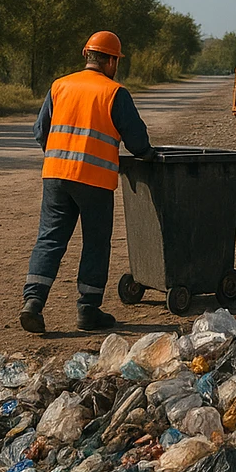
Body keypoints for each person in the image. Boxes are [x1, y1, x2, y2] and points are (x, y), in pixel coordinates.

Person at [19, 31, 153, 334]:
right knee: (95, 243)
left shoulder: (59, 86)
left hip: (55, 175)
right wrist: (149, 155)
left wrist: (60, 157)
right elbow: (137, 141)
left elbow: (41, 131)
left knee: (50, 239)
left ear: (86, 55)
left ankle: (33, 303)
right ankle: (87, 310)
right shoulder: (114, 92)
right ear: (110, 60)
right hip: (93, 181)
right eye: (116, 60)